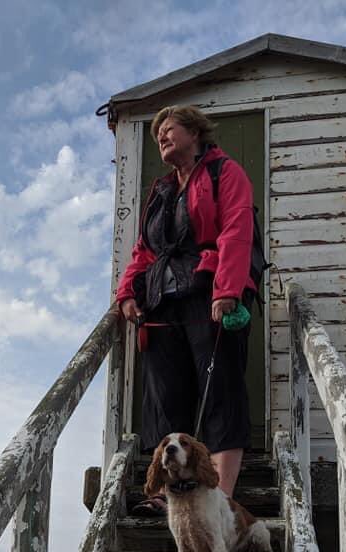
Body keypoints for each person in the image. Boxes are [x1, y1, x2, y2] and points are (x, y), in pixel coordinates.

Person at [117, 105, 257, 510]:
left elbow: (236, 229)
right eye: (157, 132)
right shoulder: (161, 190)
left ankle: (221, 498)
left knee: (221, 390)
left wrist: (226, 289)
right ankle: (168, 495)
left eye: (169, 128)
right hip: (162, 303)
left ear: (195, 132)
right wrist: (127, 294)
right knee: (167, 396)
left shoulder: (224, 172)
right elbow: (145, 251)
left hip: (209, 294)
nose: (161, 135)